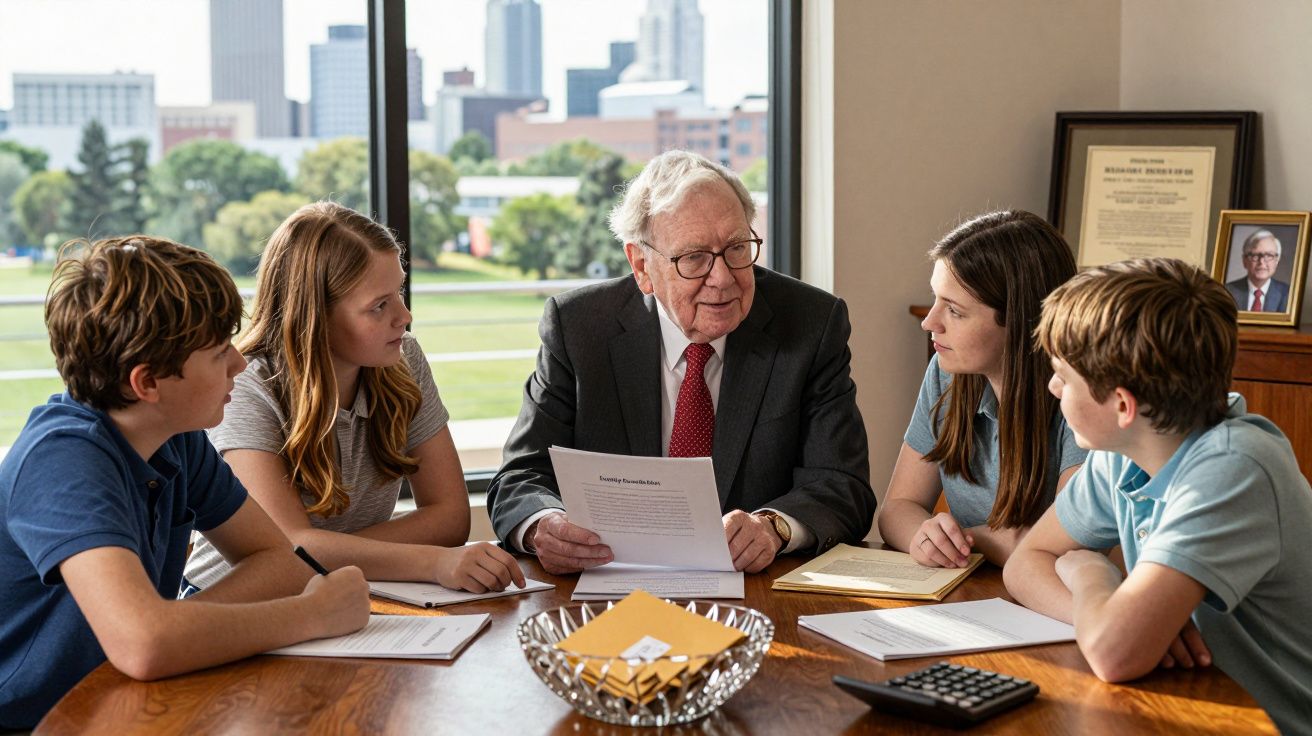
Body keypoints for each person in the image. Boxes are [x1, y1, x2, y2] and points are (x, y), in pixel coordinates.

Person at [0, 236, 370, 730]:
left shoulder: (176, 438)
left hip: (118, 703)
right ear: (147, 383)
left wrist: (178, 628)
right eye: (219, 353)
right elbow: (145, 644)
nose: (239, 363)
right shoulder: (61, 460)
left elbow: (280, 563)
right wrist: (313, 615)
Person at [486, 150, 875, 575]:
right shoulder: (580, 328)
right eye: (694, 258)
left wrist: (774, 528)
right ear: (642, 266)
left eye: (737, 248)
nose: (723, 278)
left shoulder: (811, 324)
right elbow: (520, 476)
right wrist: (544, 525)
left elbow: (843, 486)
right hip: (611, 589)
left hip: (760, 591)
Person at [1003, 258, 1312, 733]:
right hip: (1187, 711)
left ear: (1123, 405)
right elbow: (1026, 562)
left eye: (1064, 376)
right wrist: (1110, 619)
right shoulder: (1125, 450)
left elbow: (1112, 654)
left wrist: (1091, 573)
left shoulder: (1236, 468)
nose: (1052, 386)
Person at [184, 203, 524, 595]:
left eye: (397, 291)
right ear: (315, 316)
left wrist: (332, 552)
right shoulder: (247, 383)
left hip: (355, 587)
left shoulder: (403, 358)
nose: (405, 315)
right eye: (379, 305)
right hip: (234, 604)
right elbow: (290, 546)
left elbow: (450, 518)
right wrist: (430, 561)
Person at [877, 211, 1086, 568]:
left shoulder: (1081, 395)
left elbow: (1067, 545)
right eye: (936, 299)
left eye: (955, 311)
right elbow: (896, 509)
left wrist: (961, 538)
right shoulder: (946, 375)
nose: (929, 322)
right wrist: (929, 539)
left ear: (1021, 322)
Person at [1225, 229, 1288, 312]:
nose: (1261, 262)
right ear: (1244, 260)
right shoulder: (1227, 292)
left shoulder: (1288, 294)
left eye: (1269, 255)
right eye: (1255, 255)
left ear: (1277, 261)